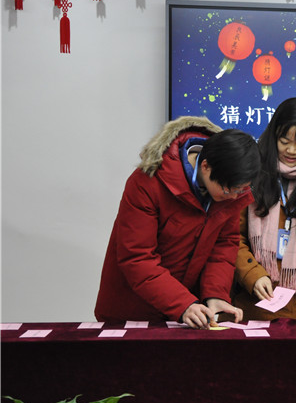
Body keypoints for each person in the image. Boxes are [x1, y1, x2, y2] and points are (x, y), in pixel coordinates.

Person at [95, 116, 260, 329]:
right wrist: (182, 304)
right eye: (229, 189)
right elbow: (137, 257)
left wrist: (216, 295)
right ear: (206, 166)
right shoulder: (148, 181)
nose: (234, 197)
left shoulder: (228, 191)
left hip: (188, 312)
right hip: (133, 310)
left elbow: (223, 246)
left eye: (242, 189)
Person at [232, 97, 296, 320]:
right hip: (254, 302)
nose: (291, 150)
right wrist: (252, 274)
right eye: (284, 140)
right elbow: (231, 237)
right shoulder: (251, 172)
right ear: (273, 134)